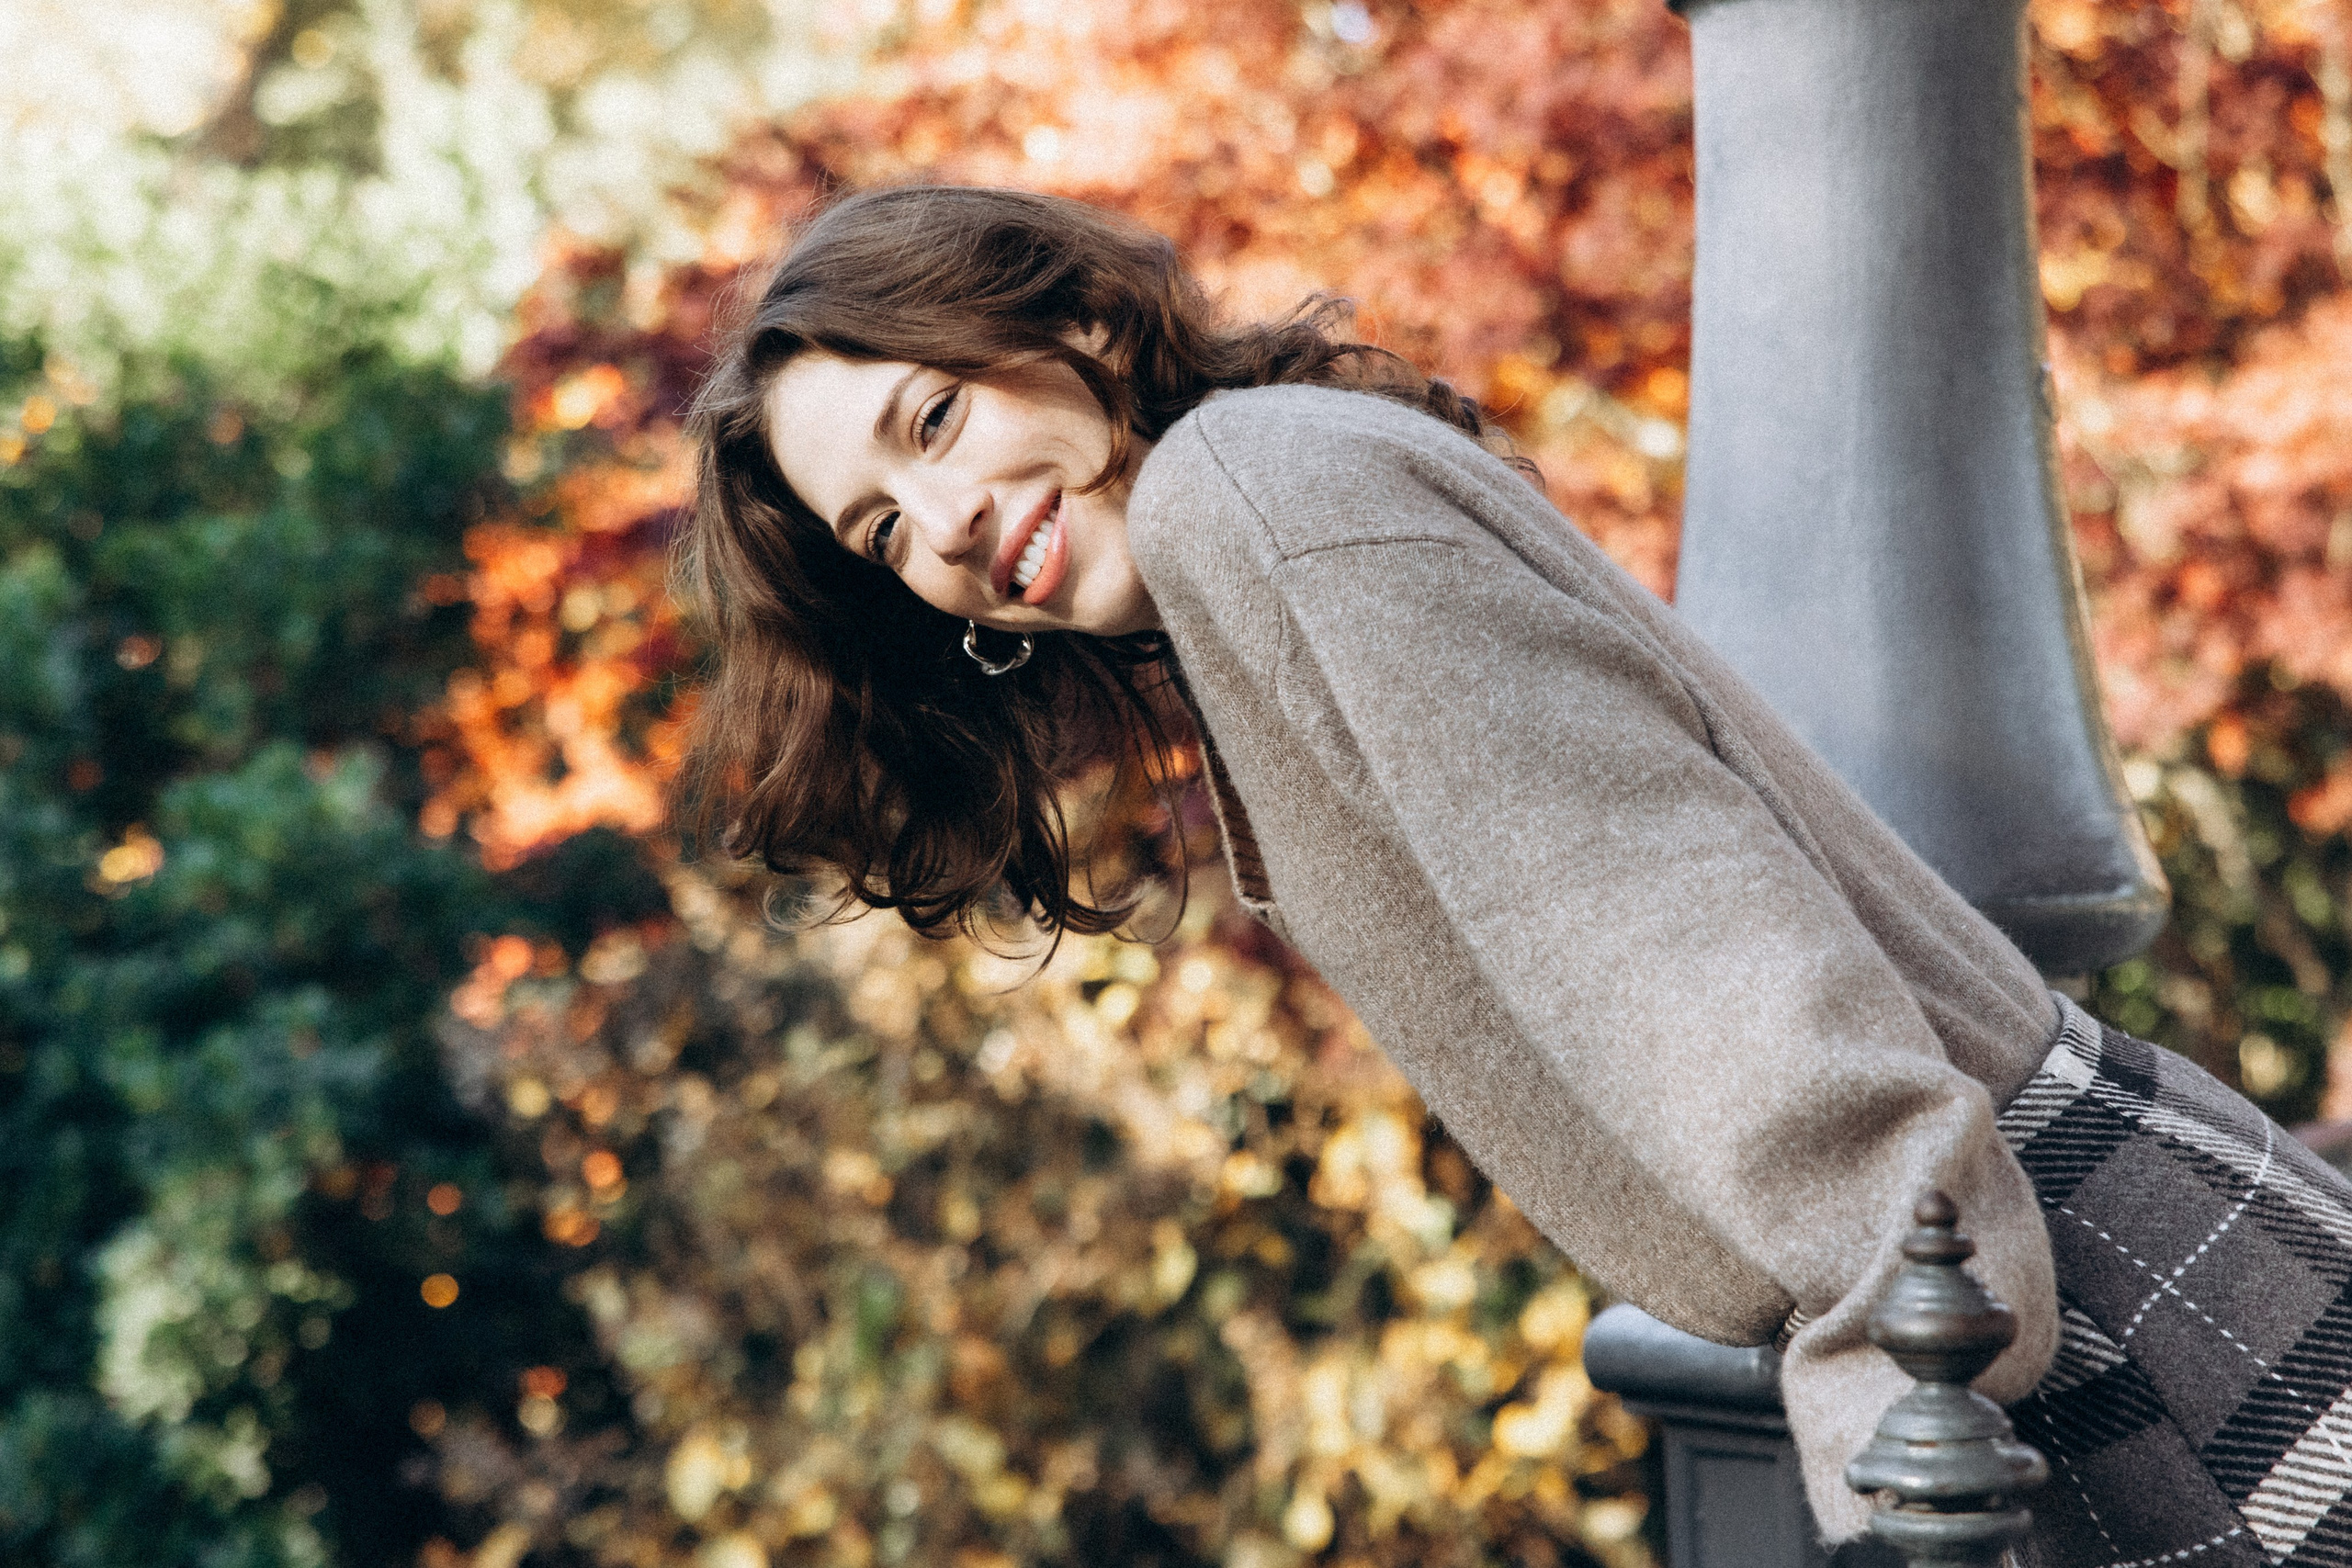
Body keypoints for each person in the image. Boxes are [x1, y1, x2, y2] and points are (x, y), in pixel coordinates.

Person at [680, 184, 2352, 1564]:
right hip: (2066, 1272)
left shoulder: (1242, 497)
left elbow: (1703, 950)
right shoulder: (1266, 496)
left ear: (1078, 328)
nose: (946, 526)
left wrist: (1893, 1445)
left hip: (2084, 1312)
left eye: (935, 419)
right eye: (881, 531)